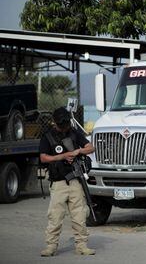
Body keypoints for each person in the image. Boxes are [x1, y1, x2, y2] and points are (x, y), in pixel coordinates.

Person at [39, 107, 95, 257]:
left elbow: (90, 148)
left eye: (66, 125)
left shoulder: (74, 133)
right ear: (55, 123)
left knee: (79, 215)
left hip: (75, 181)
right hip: (58, 183)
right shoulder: (48, 137)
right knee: (55, 216)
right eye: (61, 125)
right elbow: (43, 158)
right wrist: (63, 156)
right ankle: (51, 246)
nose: (64, 128)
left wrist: (77, 152)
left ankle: (82, 245)